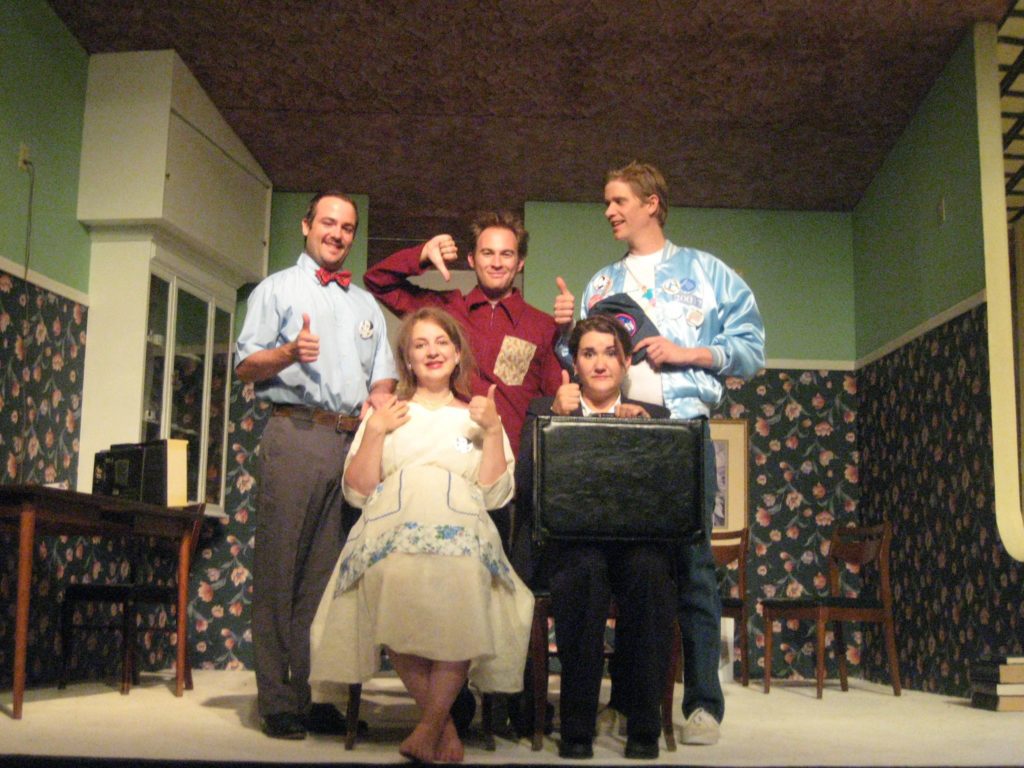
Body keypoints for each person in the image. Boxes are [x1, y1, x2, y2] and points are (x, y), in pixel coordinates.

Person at [553, 162, 765, 746]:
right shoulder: (601, 282)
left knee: (693, 568)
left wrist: (688, 353)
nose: (609, 211)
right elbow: (584, 358)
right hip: (616, 434)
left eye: (618, 200)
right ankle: (625, 702)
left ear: (652, 203)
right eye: (605, 202)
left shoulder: (710, 273)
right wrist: (560, 333)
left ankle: (703, 704)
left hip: (684, 432)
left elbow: (750, 351)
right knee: (628, 567)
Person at [308, 307, 534, 763]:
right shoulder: (389, 413)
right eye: (420, 344)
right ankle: (443, 728)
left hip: (463, 531)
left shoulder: (477, 414)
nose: (432, 352)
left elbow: (494, 494)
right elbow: (357, 491)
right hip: (392, 528)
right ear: (407, 360)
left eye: (441, 343)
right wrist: (375, 433)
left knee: (468, 588)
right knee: (390, 585)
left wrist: (492, 431)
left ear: (457, 354)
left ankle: (429, 726)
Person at [235, 191, 397, 740]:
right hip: (296, 432)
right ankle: (276, 699)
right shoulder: (276, 288)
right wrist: (287, 353)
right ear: (306, 225)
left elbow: (382, 376)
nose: (337, 232)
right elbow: (244, 366)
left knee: (326, 578)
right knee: (281, 570)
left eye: (347, 226)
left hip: (350, 445)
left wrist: (380, 413)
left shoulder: (366, 305)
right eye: (328, 222)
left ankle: (312, 694)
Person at [516, 315, 675, 760]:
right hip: (572, 544)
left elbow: (665, 495)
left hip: (633, 545)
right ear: (575, 363)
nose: (600, 363)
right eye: (589, 353)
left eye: (610, 353)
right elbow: (525, 486)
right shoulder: (544, 409)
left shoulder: (654, 415)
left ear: (626, 363)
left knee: (651, 571)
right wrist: (554, 421)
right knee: (584, 573)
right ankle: (577, 728)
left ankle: (643, 726)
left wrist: (643, 433)